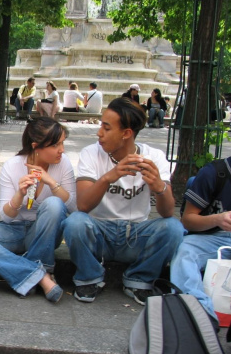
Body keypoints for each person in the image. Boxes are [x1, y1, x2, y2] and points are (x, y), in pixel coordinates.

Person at [62, 97, 184, 305]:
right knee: (74, 222)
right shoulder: (91, 153)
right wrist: (111, 175)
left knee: (174, 228)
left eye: (106, 128)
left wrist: (160, 188)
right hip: (100, 232)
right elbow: (82, 205)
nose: (99, 133)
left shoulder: (154, 156)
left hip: (136, 233)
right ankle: (89, 276)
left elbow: (167, 213)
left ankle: (139, 279)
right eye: (101, 125)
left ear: (126, 133)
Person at [0, 117, 77, 303]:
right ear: (36, 146)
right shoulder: (13, 166)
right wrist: (19, 194)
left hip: (45, 232)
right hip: (14, 229)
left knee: (55, 204)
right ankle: (40, 275)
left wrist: (51, 182)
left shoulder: (63, 163)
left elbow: (73, 207)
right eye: (56, 145)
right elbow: (6, 217)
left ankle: (34, 273)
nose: (62, 150)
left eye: (63, 143)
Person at [169, 157, 231, 330]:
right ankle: (199, 310)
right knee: (184, 252)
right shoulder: (214, 173)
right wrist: (217, 219)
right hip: (211, 237)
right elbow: (188, 220)